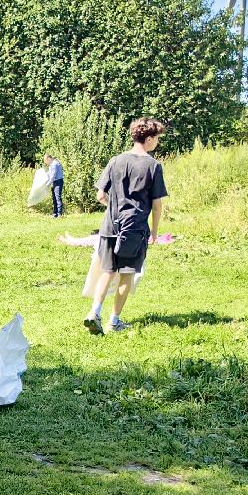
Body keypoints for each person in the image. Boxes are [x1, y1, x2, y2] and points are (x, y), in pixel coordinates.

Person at [84, 118, 168, 334]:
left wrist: (113, 206)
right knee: (127, 274)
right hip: (135, 228)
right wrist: (155, 232)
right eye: (157, 139)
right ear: (149, 139)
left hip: (110, 226)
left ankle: (94, 312)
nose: (157, 143)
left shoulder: (115, 161)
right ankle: (114, 321)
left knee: (107, 271)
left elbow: (100, 195)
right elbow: (157, 205)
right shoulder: (153, 166)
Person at [44, 153, 65, 218]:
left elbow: (53, 175)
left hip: (58, 181)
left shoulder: (55, 164)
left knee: (58, 197)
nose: (46, 163)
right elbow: (50, 174)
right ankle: (55, 213)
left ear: (49, 158)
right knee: (54, 198)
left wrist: (48, 184)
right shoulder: (51, 165)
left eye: (46, 161)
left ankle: (59, 214)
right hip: (54, 181)